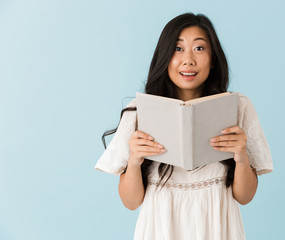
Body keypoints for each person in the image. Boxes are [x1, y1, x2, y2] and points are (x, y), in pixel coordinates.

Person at [95, 13, 273, 240]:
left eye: (199, 48)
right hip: (160, 231)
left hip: (217, 230)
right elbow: (131, 202)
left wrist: (241, 156)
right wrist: (134, 160)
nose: (188, 60)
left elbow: (245, 196)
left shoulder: (237, 108)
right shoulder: (140, 111)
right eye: (178, 49)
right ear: (164, 56)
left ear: (213, 58)